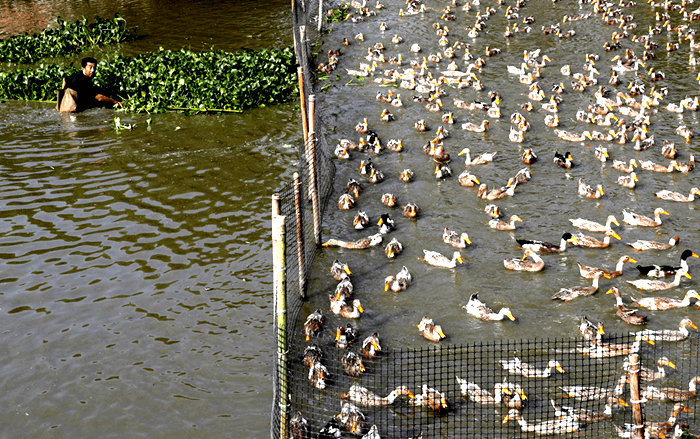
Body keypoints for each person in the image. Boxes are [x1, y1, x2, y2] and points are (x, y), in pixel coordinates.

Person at [57, 57, 121, 113]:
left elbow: (65, 79)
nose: (92, 70)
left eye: (94, 67)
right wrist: (115, 102)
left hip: (63, 106)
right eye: (90, 67)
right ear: (83, 68)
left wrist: (63, 94)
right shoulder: (83, 81)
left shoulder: (77, 74)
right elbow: (99, 98)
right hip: (70, 110)